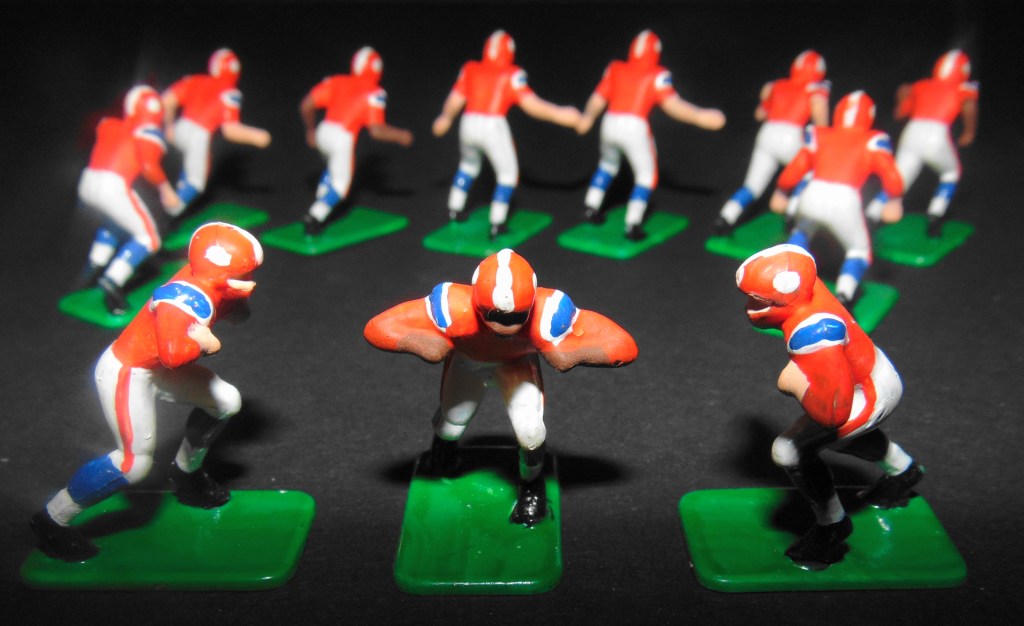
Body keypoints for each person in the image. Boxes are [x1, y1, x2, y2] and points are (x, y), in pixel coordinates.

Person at [31, 223, 264, 562]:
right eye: (241, 273)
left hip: (154, 368)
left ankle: (186, 473)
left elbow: (237, 315)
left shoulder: (207, 281)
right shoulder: (182, 300)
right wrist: (206, 342)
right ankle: (52, 519)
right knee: (133, 464)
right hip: (128, 371)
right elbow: (173, 355)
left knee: (226, 402)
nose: (248, 279)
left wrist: (233, 298)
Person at [364, 248, 638, 526]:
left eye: (517, 316)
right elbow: (379, 327)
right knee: (451, 423)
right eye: (493, 314)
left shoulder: (550, 314)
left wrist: (572, 352)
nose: (504, 325)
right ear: (476, 301)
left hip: (517, 366)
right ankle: (443, 454)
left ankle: (531, 486)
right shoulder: (450, 306)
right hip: (469, 363)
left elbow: (622, 345)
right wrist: (426, 342)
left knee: (531, 433)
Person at [736, 244, 923, 570]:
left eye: (759, 300)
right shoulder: (807, 287)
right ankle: (904, 471)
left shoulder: (812, 334)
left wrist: (793, 382)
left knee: (789, 451)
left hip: (869, 390)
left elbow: (831, 414)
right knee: (838, 438)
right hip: (871, 370)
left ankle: (832, 525)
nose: (751, 307)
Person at [577, 30, 726, 240]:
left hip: (609, 122)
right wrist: (700, 116)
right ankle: (633, 223)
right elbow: (674, 106)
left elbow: (597, 98)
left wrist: (588, 117)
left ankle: (590, 206)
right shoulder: (657, 75)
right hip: (635, 126)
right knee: (646, 176)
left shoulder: (615, 68)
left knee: (607, 165)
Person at [433, 30, 581, 239]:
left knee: (468, 166)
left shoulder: (470, 69)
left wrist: (446, 118)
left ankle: (454, 208)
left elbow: (455, 99)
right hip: (493, 125)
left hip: (468, 123)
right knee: (507, 175)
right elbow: (532, 106)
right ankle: (497, 221)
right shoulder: (511, 74)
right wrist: (560, 114)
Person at [769, 91, 903, 305]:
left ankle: (786, 283)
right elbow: (891, 175)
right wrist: (894, 199)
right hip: (844, 200)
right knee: (858, 250)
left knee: (801, 232)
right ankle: (844, 294)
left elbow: (796, 168)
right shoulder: (873, 140)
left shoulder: (819, 135)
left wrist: (782, 191)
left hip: (812, 195)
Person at [78, 85, 182, 315]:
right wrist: (166, 190)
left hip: (88, 181)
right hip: (113, 185)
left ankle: (92, 268)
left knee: (114, 225)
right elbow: (149, 166)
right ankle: (112, 280)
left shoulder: (109, 124)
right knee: (149, 238)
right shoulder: (148, 133)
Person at [299, 46, 413, 236]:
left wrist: (310, 130)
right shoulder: (374, 92)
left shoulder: (336, 81)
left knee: (332, 167)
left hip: (323, 131)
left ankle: (321, 195)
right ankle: (315, 215)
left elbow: (306, 104)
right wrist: (401, 136)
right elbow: (376, 131)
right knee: (341, 185)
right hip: (342, 136)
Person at [865, 49, 979, 237]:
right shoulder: (963, 88)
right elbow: (969, 107)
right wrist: (969, 132)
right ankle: (935, 215)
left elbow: (900, 113)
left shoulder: (920, 86)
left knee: (898, 180)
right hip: (936, 134)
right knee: (951, 173)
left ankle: (872, 214)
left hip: (912, 131)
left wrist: (903, 96)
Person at [715, 50, 830, 235]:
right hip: (791, 136)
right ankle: (792, 213)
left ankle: (726, 215)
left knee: (752, 185)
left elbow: (759, 114)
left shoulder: (776, 86)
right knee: (809, 173)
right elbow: (821, 123)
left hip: (767, 133)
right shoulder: (815, 90)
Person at [162, 48, 271, 212]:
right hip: (199, 135)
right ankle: (172, 211)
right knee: (196, 182)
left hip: (181, 127)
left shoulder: (195, 80)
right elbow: (229, 130)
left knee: (197, 163)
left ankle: (178, 191)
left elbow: (166, 100)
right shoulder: (230, 93)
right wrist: (257, 137)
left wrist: (169, 126)